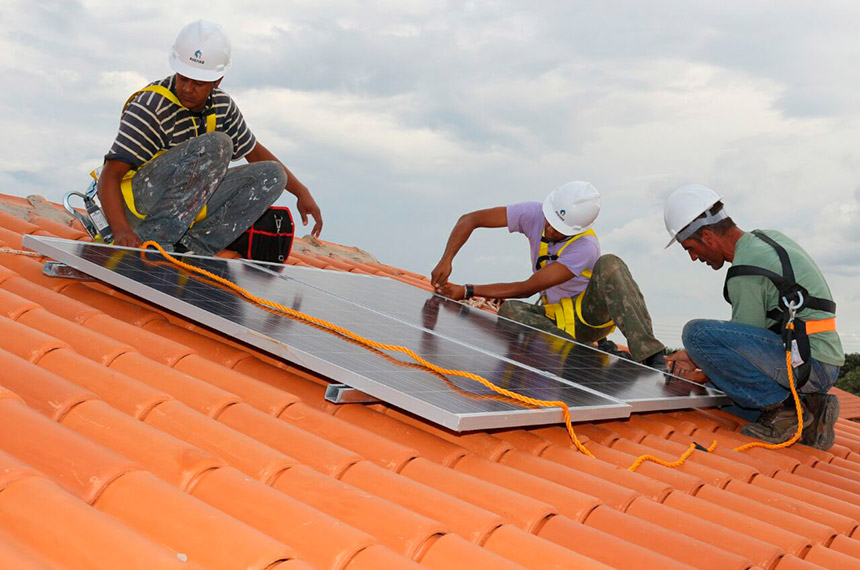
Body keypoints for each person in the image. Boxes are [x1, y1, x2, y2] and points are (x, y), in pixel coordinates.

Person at [97, 20, 322, 255]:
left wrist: (301, 192)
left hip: (182, 213)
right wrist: (122, 231)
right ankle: (156, 242)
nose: (187, 89)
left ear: (217, 81)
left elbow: (254, 152)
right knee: (219, 144)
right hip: (135, 209)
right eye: (183, 78)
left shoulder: (222, 106)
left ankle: (193, 249)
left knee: (273, 175)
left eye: (198, 83)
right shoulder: (151, 107)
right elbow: (109, 175)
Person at [663, 184, 843, 450]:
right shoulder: (767, 239)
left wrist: (701, 369)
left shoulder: (745, 271)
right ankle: (811, 411)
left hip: (809, 363)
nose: (693, 257)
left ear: (708, 236)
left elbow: (740, 357)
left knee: (696, 334)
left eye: (690, 247)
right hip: (821, 358)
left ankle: (786, 415)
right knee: (733, 404)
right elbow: (750, 339)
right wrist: (691, 357)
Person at [430, 181, 668, 369]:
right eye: (551, 222)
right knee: (510, 311)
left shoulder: (585, 247)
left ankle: (650, 355)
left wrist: (467, 290)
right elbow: (470, 219)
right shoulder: (533, 213)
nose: (551, 229)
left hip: (587, 319)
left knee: (610, 264)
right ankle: (584, 352)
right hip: (553, 318)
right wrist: (446, 259)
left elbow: (528, 287)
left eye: (560, 229)